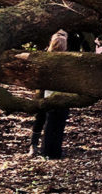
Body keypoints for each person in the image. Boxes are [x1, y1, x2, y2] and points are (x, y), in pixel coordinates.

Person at [28, 30, 71, 159]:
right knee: (45, 120)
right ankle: (39, 147)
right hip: (47, 94)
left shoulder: (67, 59)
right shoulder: (45, 58)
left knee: (48, 121)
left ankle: (45, 148)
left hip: (53, 94)